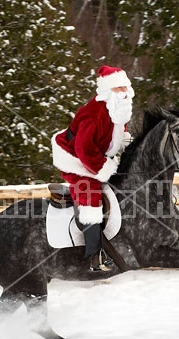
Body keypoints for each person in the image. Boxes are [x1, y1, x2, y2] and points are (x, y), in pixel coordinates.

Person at [51, 65, 134, 271]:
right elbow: (84, 149)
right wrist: (106, 169)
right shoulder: (94, 113)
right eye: (118, 88)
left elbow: (117, 133)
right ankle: (93, 257)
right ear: (108, 90)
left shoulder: (117, 109)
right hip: (76, 159)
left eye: (125, 87)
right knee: (90, 197)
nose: (123, 92)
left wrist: (126, 143)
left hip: (97, 157)